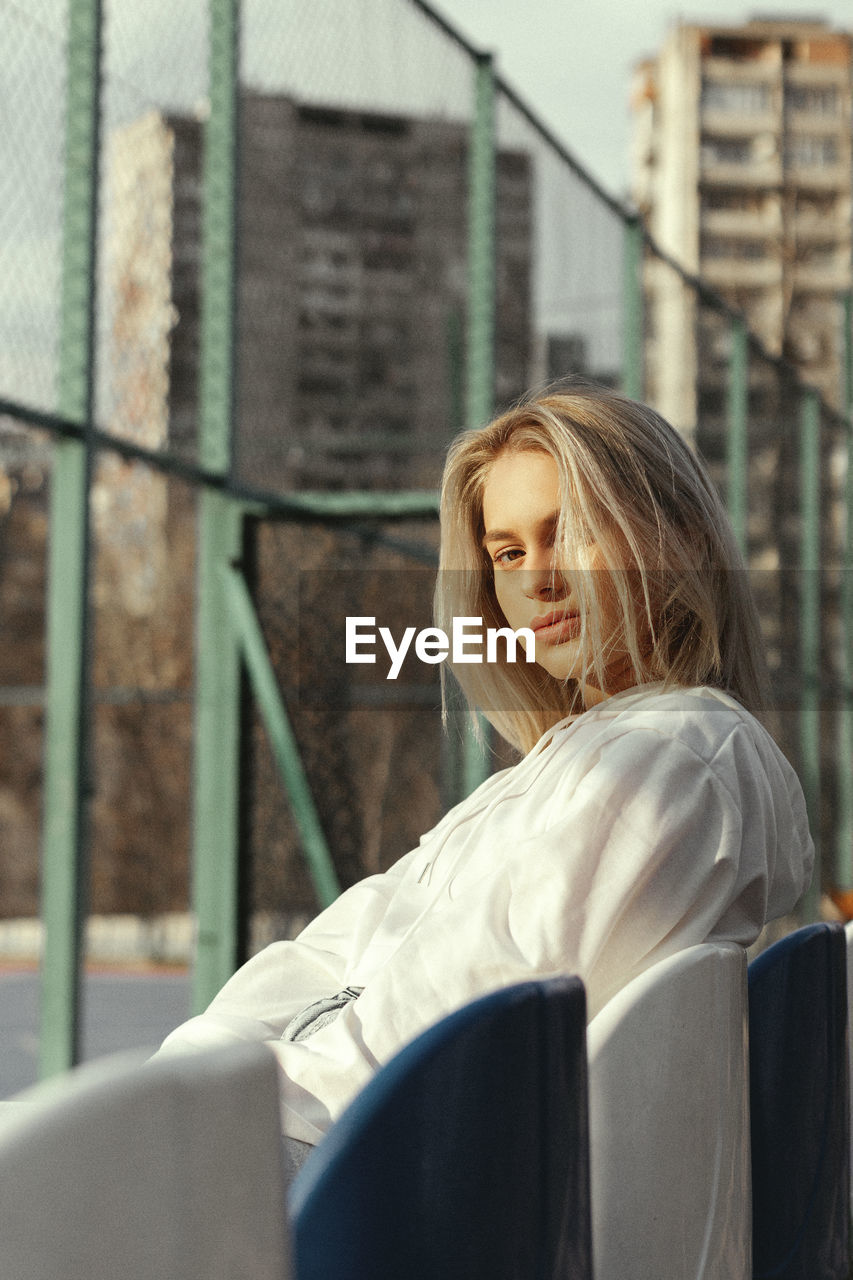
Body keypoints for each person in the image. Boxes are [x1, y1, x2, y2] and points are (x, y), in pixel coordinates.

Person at [156, 383, 813, 1164]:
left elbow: (467, 1011)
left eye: (568, 531)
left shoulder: (674, 755)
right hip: (319, 1147)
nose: (536, 580)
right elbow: (328, 957)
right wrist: (182, 1092)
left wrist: (187, 1125)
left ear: (685, 539)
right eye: (506, 552)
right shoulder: (563, 766)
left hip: (360, 1177)